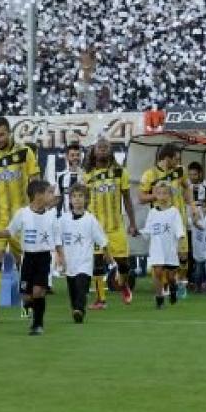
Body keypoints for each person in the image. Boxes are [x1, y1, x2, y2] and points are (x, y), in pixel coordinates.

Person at [0, 179, 64, 336]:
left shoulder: (51, 216)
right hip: (27, 258)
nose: (52, 196)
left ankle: (38, 324)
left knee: (38, 292)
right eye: (49, 192)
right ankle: (31, 306)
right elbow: (9, 231)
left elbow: (57, 239)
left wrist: (60, 256)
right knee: (26, 296)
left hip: (44, 258)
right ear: (38, 195)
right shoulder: (22, 214)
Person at [0, 116, 39, 323]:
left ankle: (28, 303)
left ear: (9, 133)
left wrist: (36, 210)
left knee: (22, 263)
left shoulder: (25, 153)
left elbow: (35, 182)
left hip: (21, 218)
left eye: (1, 134)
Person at [139, 143, 201, 299]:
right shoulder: (149, 175)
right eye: (176, 159)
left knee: (183, 255)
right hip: (161, 223)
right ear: (167, 158)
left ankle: (181, 283)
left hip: (178, 218)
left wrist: (192, 206)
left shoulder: (180, 171)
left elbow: (187, 187)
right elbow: (141, 198)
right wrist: (159, 195)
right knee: (163, 259)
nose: (178, 162)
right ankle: (167, 285)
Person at [83, 137, 138, 304]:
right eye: (99, 147)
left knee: (124, 265)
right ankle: (100, 299)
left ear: (110, 151)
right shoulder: (87, 174)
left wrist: (133, 223)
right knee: (97, 263)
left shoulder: (121, 172)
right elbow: (84, 201)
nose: (102, 150)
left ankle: (124, 285)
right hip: (96, 227)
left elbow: (127, 199)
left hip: (116, 226)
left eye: (105, 147)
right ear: (93, 151)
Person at [60, 184, 109, 323]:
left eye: (81, 196)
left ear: (86, 199)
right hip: (70, 262)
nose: (77, 199)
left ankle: (79, 310)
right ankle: (76, 310)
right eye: (74, 196)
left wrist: (108, 254)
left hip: (85, 262)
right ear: (70, 200)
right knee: (73, 289)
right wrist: (59, 256)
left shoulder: (90, 219)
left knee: (82, 286)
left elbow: (102, 238)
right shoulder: (63, 220)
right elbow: (57, 239)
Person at [143, 181, 185, 309]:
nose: (162, 196)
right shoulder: (152, 212)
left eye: (165, 193)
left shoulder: (174, 212)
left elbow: (179, 231)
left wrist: (181, 247)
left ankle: (173, 287)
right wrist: (140, 233)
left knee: (171, 276)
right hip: (156, 248)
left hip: (170, 248)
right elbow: (148, 230)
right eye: (159, 193)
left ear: (170, 195)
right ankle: (159, 298)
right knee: (158, 272)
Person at [187, 161, 206, 294]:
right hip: (190, 222)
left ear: (200, 173)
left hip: (203, 222)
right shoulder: (186, 185)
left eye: (195, 174)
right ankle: (192, 281)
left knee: (205, 258)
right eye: (190, 174)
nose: (192, 176)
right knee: (190, 253)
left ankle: (204, 282)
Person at [56, 141, 86, 215]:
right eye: (72, 155)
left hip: (84, 218)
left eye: (77, 155)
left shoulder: (87, 175)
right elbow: (58, 199)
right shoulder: (61, 177)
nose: (75, 157)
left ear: (81, 157)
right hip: (66, 218)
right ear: (67, 157)